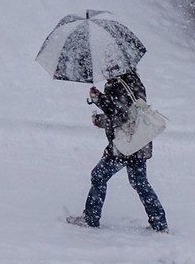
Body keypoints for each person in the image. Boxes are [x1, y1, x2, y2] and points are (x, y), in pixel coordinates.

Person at [67, 70, 168, 232]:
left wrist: (99, 118)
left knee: (98, 176)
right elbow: (125, 111)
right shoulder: (132, 81)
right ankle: (159, 224)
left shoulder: (117, 84)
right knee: (140, 183)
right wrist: (98, 98)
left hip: (124, 145)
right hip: (139, 143)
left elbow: (121, 117)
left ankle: (91, 218)